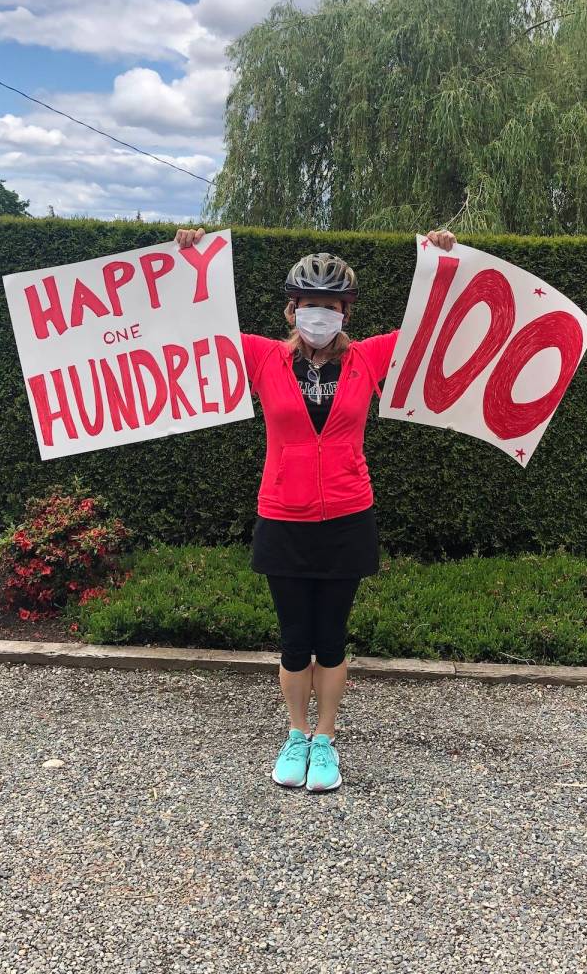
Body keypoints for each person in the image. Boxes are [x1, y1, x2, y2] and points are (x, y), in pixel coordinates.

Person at [175, 226, 457, 792]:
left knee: (330, 638)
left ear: (345, 311)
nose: (318, 315)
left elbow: (434, 332)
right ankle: (296, 733)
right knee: (292, 639)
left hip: (348, 518)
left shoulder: (370, 358)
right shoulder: (262, 358)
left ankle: (325, 740)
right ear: (291, 309)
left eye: (329, 306)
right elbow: (195, 328)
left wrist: (443, 264)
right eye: (309, 305)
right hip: (282, 517)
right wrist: (189, 257)